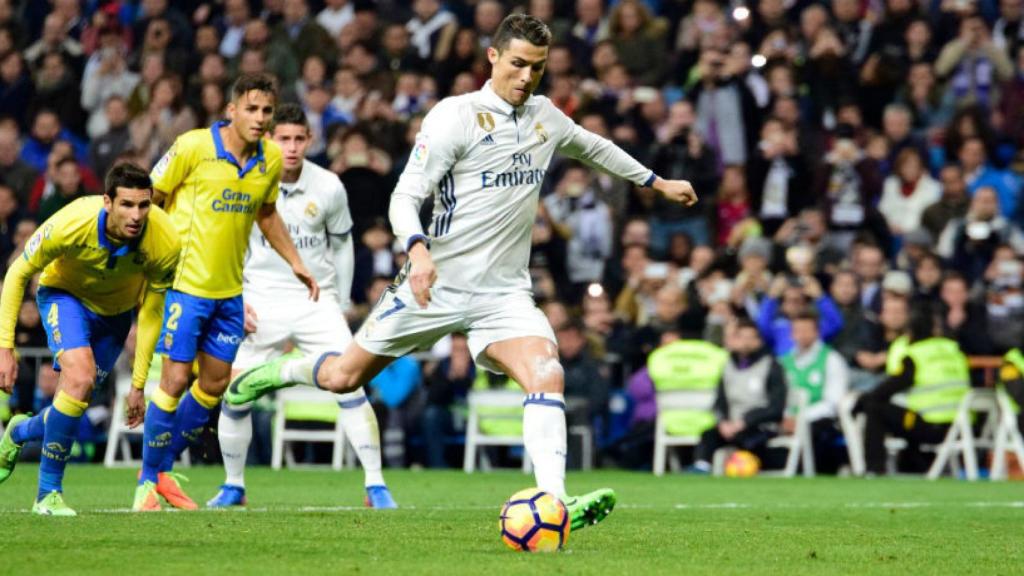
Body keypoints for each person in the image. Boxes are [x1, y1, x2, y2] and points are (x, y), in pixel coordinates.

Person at [226, 14, 697, 532]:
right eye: (517, 64)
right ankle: (275, 372)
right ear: (492, 58)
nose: (526, 77)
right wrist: (417, 250)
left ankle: (554, 502)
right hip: (436, 284)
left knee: (547, 373)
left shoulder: (545, 116)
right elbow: (405, 195)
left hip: (503, 294)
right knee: (342, 377)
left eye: (537, 68)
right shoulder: (456, 117)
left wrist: (655, 181)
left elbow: (594, 147)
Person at [135, 73, 319, 512]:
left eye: (266, 111)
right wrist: (146, 263)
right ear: (231, 110)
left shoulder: (270, 158)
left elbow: (267, 213)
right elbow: (150, 200)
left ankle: (160, 471)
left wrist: (295, 261)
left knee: (215, 384)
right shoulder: (194, 146)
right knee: (175, 380)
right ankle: (147, 481)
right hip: (184, 285)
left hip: (230, 291)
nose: (259, 118)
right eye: (251, 109)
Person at [210, 104, 393, 509]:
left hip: (316, 302)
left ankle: (376, 486)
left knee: (349, 383)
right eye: (283, 138)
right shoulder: (247, 181)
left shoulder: (328, 185)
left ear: (310, 141)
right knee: (236, 393)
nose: (291, 148)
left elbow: (342, 244)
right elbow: (226, 246)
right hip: (261, 302)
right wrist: (234, 300)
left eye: (298, 139)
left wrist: (341, 300)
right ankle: (233, 485)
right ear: (269, 139)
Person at [0, 164, 180, 516]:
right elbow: (18, 270)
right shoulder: (73, 221)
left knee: (74, 398)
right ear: (107, 202)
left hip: (115, 317)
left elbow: (152, 312)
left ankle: (20, 432)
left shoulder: (166, 240)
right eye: (127, 204)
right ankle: (47, 494)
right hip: (64, 297)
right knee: (80, 379)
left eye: (144, 205)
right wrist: (6, 347)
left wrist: (139, 383)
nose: (137, 215)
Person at [857, 304, 970, 475]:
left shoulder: (916, 355)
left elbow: (884, 391)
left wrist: (861, 401)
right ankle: (913, 464)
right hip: (961, 426)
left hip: (931, 426)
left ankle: (874, 469)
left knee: (875, 407)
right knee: (903, 412)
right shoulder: (953, 350)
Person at [691, 318, 787, 472]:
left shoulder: (771, 365)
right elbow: (720, 400)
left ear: (759, 341)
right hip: (731, 425)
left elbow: (776, 407)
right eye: (741, 337)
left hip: (759, 426)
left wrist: (745, 421)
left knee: (752, 441)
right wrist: (723, 422)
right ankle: (701, 466)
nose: (745, 342)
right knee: (708, 434)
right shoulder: (727, 365)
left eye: (751, 338)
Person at [778, 311, 849, 473]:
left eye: (806, 330)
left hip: (820, 420)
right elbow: (779, 398)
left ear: (816, 332)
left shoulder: (832, 359)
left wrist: (801, 418)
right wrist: (786, 417)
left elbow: (833, 402)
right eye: (797, 330)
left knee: (816, 432)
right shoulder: (783, 363)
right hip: (789, 420)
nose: (801, 335)